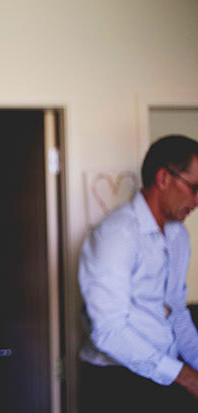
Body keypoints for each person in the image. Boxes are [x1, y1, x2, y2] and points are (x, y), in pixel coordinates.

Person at [78, 134, 198, 412]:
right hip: (118, 383)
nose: (196, 199)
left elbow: (177, 312)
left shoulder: (178, 235)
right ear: (164, 178)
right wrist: (187, 379)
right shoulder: (116, 235)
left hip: (166, 373)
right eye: (193, 187)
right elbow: (109, 329)